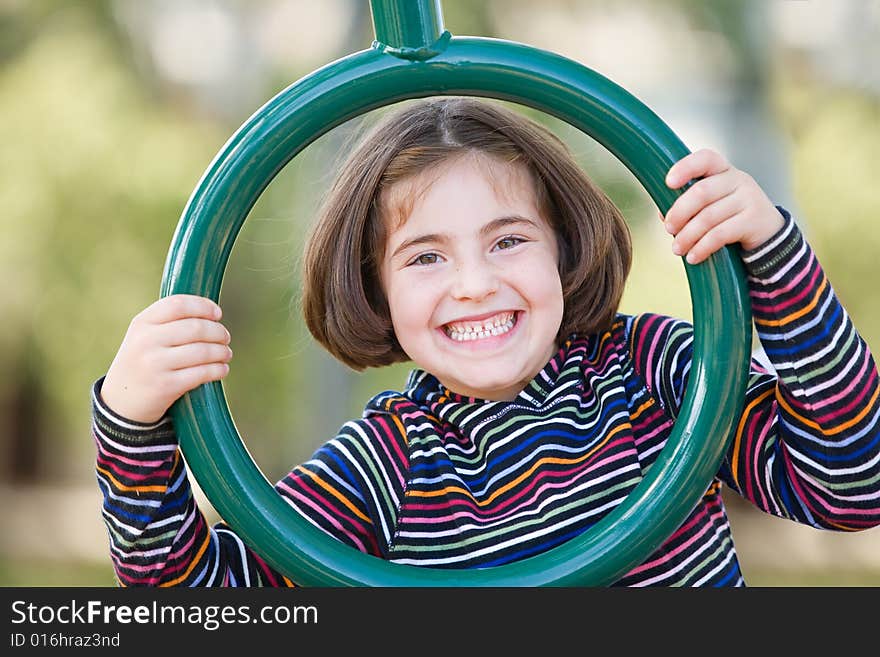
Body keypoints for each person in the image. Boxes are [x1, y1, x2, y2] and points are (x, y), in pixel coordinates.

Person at [92, 97, 880, 587]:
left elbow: (852, 484)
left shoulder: (650, 374)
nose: (472, 283)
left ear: (563, 248)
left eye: (508, 240)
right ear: (376, 288)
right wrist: (132, 428)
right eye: (426, 255)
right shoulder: (382, 464)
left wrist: (777, 260)